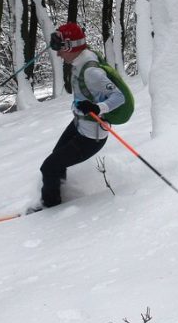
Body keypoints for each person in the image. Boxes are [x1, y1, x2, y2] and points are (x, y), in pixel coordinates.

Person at [36, 22, 126, 210]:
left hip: (91, 137)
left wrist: (98, 107)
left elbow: (119, 96)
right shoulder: (80, 59)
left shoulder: (91, 71)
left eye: (60, 49)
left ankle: (49, 210)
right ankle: (57, 199)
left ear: (70, 46)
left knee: (49, 167)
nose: (58, 54)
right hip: (80, 124)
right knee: (55, 162)